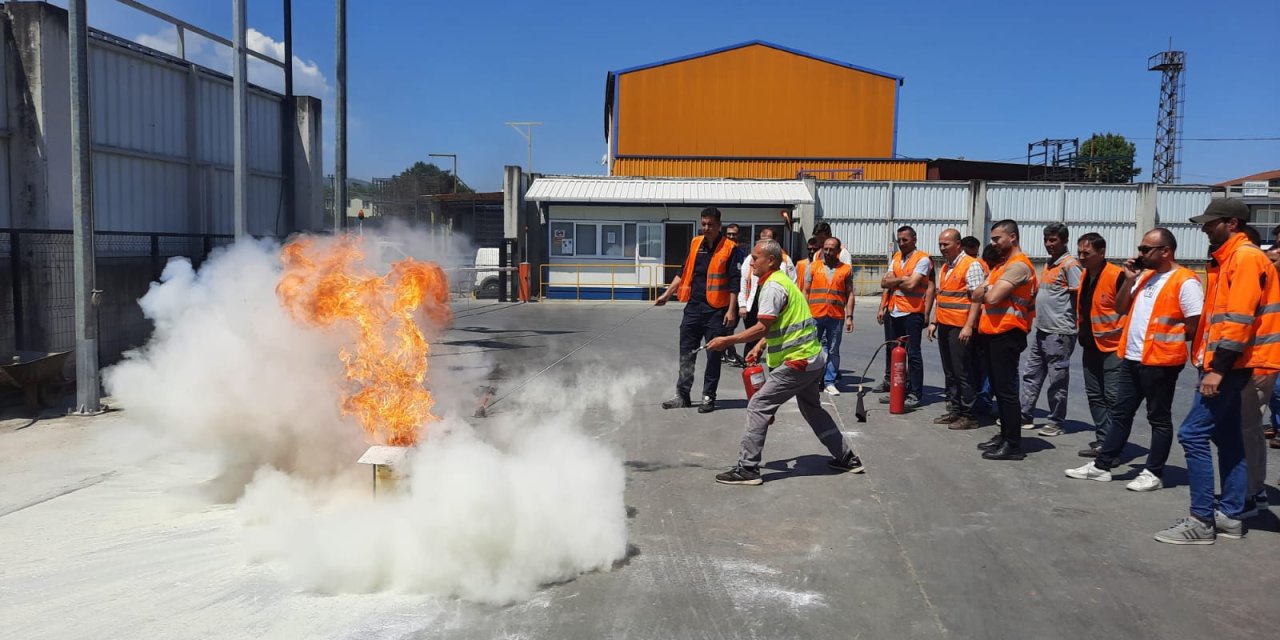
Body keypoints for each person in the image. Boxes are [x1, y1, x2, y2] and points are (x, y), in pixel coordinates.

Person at [1154, 198, 1280, 545]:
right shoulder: (1231, 259)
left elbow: (1238, 322)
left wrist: (1217, 370)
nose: (1205, 227)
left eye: (1212, 222)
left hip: (1232, 364)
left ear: (1233, 223)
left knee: (1193, 434)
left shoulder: (1244, 258)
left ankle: (1201, 521)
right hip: (1232, 363)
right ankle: (1231, 516)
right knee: (1228, 439)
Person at [705, 239, 864, 485]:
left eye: (756, 257)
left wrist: (728, 340)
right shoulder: (783, 282)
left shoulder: (772, 287)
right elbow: (781, 323)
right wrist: (760, 345)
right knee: (812, 409)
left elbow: (762, 326)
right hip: (813, 359)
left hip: (797, 362)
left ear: (770, 260)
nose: (751, 262)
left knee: (758, 405)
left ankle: (748, 468)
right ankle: (847, 457)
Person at [1066, 228, 1201, 492]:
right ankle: (1102, 466)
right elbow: (1120, 308)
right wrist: (1128, 280)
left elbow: (1194, 326)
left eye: (1145, 249)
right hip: (1131, 356)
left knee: (1158, 418)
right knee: (1120, 413)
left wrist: (1165, 342)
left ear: (1166, 251)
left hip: (1161, 361)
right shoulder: (1145, 277)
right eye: (1140, 249)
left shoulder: (1185, 281)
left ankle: (1153, 472)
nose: (1139, 254)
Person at [654, 207, 745, 414]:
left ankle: (708, 396)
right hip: (693, 308)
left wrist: (732, 311)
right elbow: (682, 272)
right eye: (703, 224)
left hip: (717, 311)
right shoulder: (696, 244)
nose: (706, 228)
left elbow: (734, 283)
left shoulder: (730, 248)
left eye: (710, 225)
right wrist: (667, 295)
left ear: (719, 225)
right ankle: (682, 395)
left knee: (714, 354)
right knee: (686, 352)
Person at [975, 219, 1038, 460]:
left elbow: (990, 297)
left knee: (1007, 391)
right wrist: (988, 289)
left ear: (1012, 237)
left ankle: (1013, 444)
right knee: (1000, 392)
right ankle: (1005, 436)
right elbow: (977, 292)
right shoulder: (1002, 266)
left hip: (1007, 333)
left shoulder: (1019, 266)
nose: (994, 243)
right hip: (993, 332)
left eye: (997, 238)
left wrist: (988, 289)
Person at [1019, 223, 1082, 437]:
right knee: (1031, 374)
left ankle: (1056, 421)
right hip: (1042, 329)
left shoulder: (1070, 265)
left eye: (1053, 240)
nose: (1048, 244)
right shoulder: (1049, 264)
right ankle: (1025, 415)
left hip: (1060, 332)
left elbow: (1079, 295)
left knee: (1057, 379)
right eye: (1046, 240)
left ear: (1064, 241)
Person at [1074, 232, 1126, 458]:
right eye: (1080, 253)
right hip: (1090, 344)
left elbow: (1128, 310)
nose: (1082, 257)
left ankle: (1113, 446)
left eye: (1087, 253)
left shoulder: (1117, 275)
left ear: (1102, 252)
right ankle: (1103, 440)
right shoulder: (1085, 275)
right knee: (1095, 395)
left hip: (1113, 346)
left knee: (1113, 396)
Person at [928, 229, 985, 430]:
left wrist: (969, 326)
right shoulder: (945, 267)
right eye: (940, 244)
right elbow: (942, 296)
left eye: (946, 244)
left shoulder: (971, 265)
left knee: (963, 371)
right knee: (950, 371)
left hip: (960, 327)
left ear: (958, 244)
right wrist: (934, 321)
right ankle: (954, 410)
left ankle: (969, 414)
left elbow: (977, 298)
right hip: (945, 324)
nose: (942, 248)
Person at [875, 226, 932, 409]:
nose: (901, 243)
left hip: (912, 312)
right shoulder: (896, 258)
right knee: (893, 351)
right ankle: (896, 389)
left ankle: (915, 392)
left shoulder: (922, 259)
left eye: (905, 240)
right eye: (899, 240)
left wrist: (897, 279)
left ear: (914, 240)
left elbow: (913, 284)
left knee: (913, 353)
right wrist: (902, 279)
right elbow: (884, 282)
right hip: (894, 311)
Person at [731, 227, 797, 368]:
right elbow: (743, 282)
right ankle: (750, 367)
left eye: (767, 240)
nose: (752, 262)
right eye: (761, 240)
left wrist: (727, 340)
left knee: (767, 334)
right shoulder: (750, 259)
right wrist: (742, 304)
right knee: (756, 339)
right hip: (753, 302)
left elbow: (762, 329)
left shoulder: (780, 270)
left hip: (775, 305)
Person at [803, 236, 855, 395]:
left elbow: (850, 294)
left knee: (833, 349)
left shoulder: (845, 269)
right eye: (825, 249)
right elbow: (805, 291)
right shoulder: (813, 267)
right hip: (814, 314)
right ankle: (812, 380)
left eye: (832, 249)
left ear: (839, 251)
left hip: (836, 315)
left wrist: (849, 317)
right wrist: (804, 314)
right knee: (812, 349)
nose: (828, 252)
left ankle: (829, 382)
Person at [722, 225, 748, 368]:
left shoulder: (740, 252)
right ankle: (729, 353)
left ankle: (727, 352)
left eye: (734, 234)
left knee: (731, 325)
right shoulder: (721, 251)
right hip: (723, 295)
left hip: (737, 294)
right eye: (729, 234)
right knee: (727, 325)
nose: (731, 237)